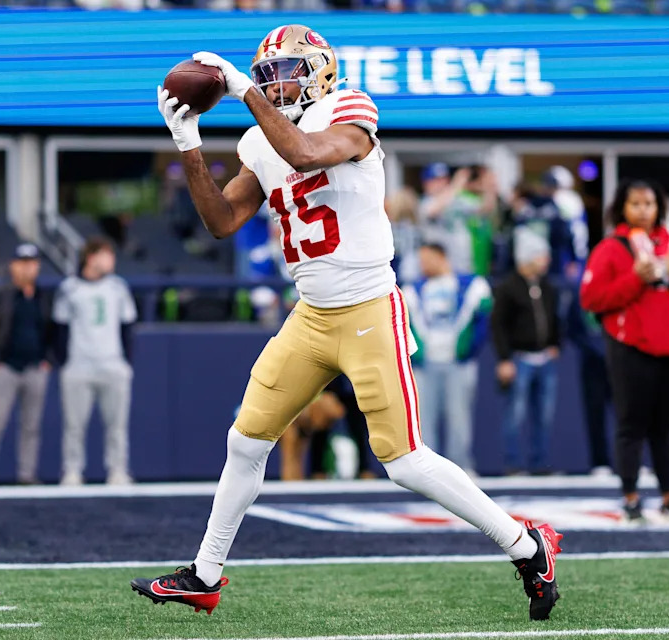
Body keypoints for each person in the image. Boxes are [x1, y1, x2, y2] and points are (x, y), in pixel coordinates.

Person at [133, 24, 563, 622]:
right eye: (264, 77)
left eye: (285, 73)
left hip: (367, 308)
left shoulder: (350, 109)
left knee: (403, 461)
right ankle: (204, 575)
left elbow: (307, 154)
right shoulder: (259, 140)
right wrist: (188, 144)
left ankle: (525, 545)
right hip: (310, 315)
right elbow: (222, 221)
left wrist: (243, 94)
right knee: (245, 440)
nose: (273, 85)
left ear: (319, 71)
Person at [580, 179, 669, 524]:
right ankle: (631, 498)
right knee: (631, 424)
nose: (642, 210)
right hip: (629, 346)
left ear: (659, 208)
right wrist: (635, 278)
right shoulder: (611, 248)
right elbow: (591, 299)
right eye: (635, 204)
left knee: (664, 426)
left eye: (649, 204)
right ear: (622, 208)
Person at [53, 236, 137, 487]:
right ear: (91, 258)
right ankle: (72, 471)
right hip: (79, 365)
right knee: (74, 425)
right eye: (106, 255)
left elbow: (127, 327)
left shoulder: (118, 287)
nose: (112, 260)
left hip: (112, 364)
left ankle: (117, 470)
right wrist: (66, 363)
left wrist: (124, 362)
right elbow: (60, 328)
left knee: (117, 425)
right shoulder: (69, 288)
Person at [404, 243, 491, 477]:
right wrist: (417, 353)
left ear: (441, 257)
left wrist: (467, 349)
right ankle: (427, 472)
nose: (423, 265)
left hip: (457, 362)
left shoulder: (471, 285)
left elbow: (483, 317)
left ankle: (460, 469)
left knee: (459, 418)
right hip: (426, 363)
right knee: (424, 420)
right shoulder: (412, 290)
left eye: (427, 260)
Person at [0, 243, 54, 486]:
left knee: (32, 425)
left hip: (35, 367)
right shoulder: (0, 294)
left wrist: (47, 359)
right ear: (13, 266)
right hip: (6, 366)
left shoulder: (42, 296)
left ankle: (27, 474)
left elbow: (52, 330)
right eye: (23, 263)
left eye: (32, 263)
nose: (27, 269)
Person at [490, 229, 561, 476]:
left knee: (544, 415)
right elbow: (498, 325)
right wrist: (504, 359)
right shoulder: (508, 288)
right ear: (528, 257)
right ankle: (513, 462)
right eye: (541, 255)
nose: (546, 260)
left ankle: (540, 462)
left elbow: (554, 318)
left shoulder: (547, 286)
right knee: (515, 414)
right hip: (520, 358)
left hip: (545, 359)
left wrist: (555, 343)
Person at [565, 285, 614, 476]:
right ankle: (600, 461)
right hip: (592, 363)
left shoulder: (618, 288)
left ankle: (632, 461)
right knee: (595, 412)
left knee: (627, 414)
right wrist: (591, 348)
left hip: (619, 360)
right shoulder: (581, 293)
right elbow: (572, 328)